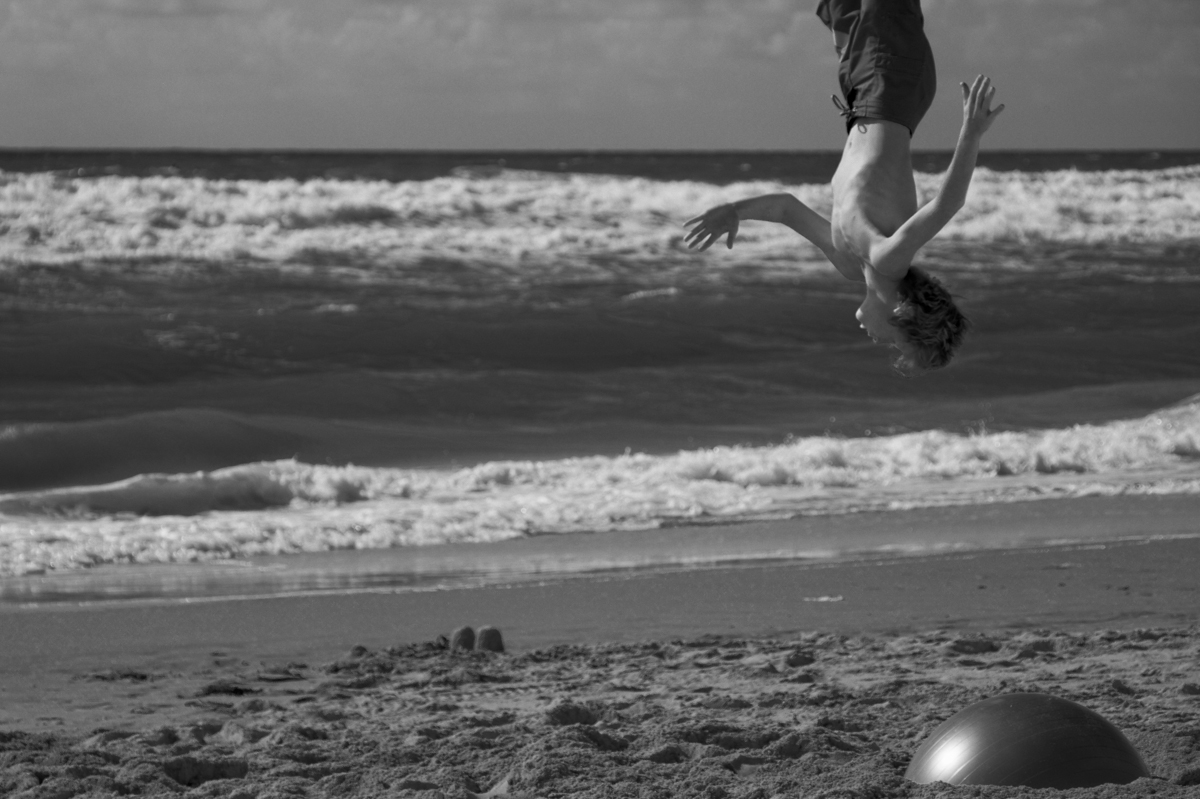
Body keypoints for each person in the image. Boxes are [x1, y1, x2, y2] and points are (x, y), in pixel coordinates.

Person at [684, 0, 1003, 373]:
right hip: (892, 82)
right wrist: (971, 132)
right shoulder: (889, 257)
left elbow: (787, 209)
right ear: (902, 313)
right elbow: (948, 204)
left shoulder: (849, 263)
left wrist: (736, 210)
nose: (879, 341)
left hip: (860, 94)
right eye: (894, 342)